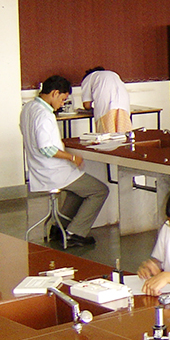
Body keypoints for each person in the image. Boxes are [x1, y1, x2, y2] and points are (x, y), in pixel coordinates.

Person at [20, 75, 109, 247]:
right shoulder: (44, 115)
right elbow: (47, 149)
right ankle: (75, 233)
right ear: (54, 93)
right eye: (62, 99)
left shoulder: (29, 108)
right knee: (99, 190)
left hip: (40, 168)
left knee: (79, 190)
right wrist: (72, 157)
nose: (62, 104)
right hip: (52, 170)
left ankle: (58, 228)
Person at [80, 67, 131, 133]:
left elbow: (86, 104)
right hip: (123, 105)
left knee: (106, 136)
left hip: (106, 107)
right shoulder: (113, 74)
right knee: (123, 135)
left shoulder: (88, 78)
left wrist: (90, 109)